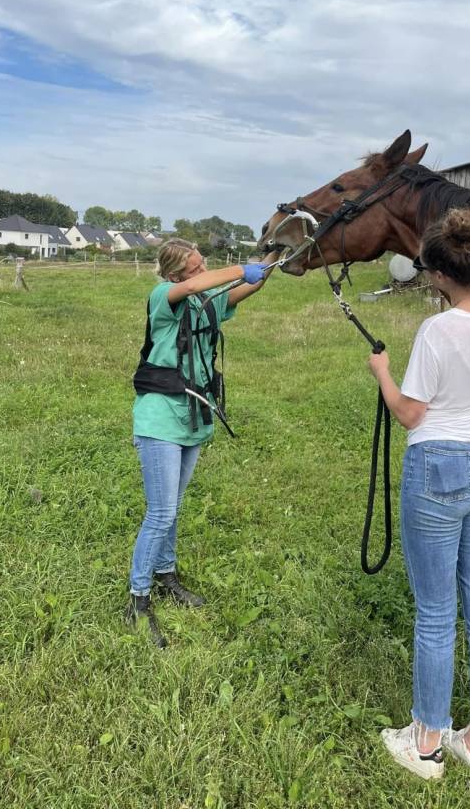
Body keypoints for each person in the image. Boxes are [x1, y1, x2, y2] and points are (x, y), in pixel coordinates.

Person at [368, 208, 470, 780]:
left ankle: (427, 743)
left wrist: (382, 372)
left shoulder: (438, 330)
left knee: (437, 611)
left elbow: (411, 414)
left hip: (439, 467)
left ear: (437, 276)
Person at [126, 238, 277, 648]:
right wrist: (237, 269)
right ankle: (137, 600)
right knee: (160, 512)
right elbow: (196, 287)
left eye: (203, 264)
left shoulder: (207, 303)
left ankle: (166, 576)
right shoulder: (165, 297)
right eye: (196, 268)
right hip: (160, 417)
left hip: (192, 417)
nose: (203, 272)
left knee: (173, 508)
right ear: (176, 276)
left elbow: (251, 285)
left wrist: (274, 256)